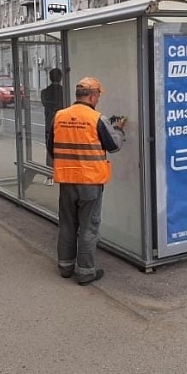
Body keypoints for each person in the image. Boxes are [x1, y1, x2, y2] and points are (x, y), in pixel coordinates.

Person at [46, 77, 127, 286]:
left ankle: (65, 267)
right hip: (90, 181)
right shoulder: (97, 119)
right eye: (98, 95)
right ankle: (85, 272)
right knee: (88, 226)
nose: (98, 99)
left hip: (67, 180)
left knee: (67, 224)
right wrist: (118, 129)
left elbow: (51, 147)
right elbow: (114, 146)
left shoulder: (59, 116)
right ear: (92, 95)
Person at [40, 67, 64, 185]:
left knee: (50, 149)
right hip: (63, 123)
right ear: (61, 78)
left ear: (49, 77)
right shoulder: (65, 91)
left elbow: (45, 104)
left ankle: (50, 177)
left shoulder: (44, 92)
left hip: (49, 123)